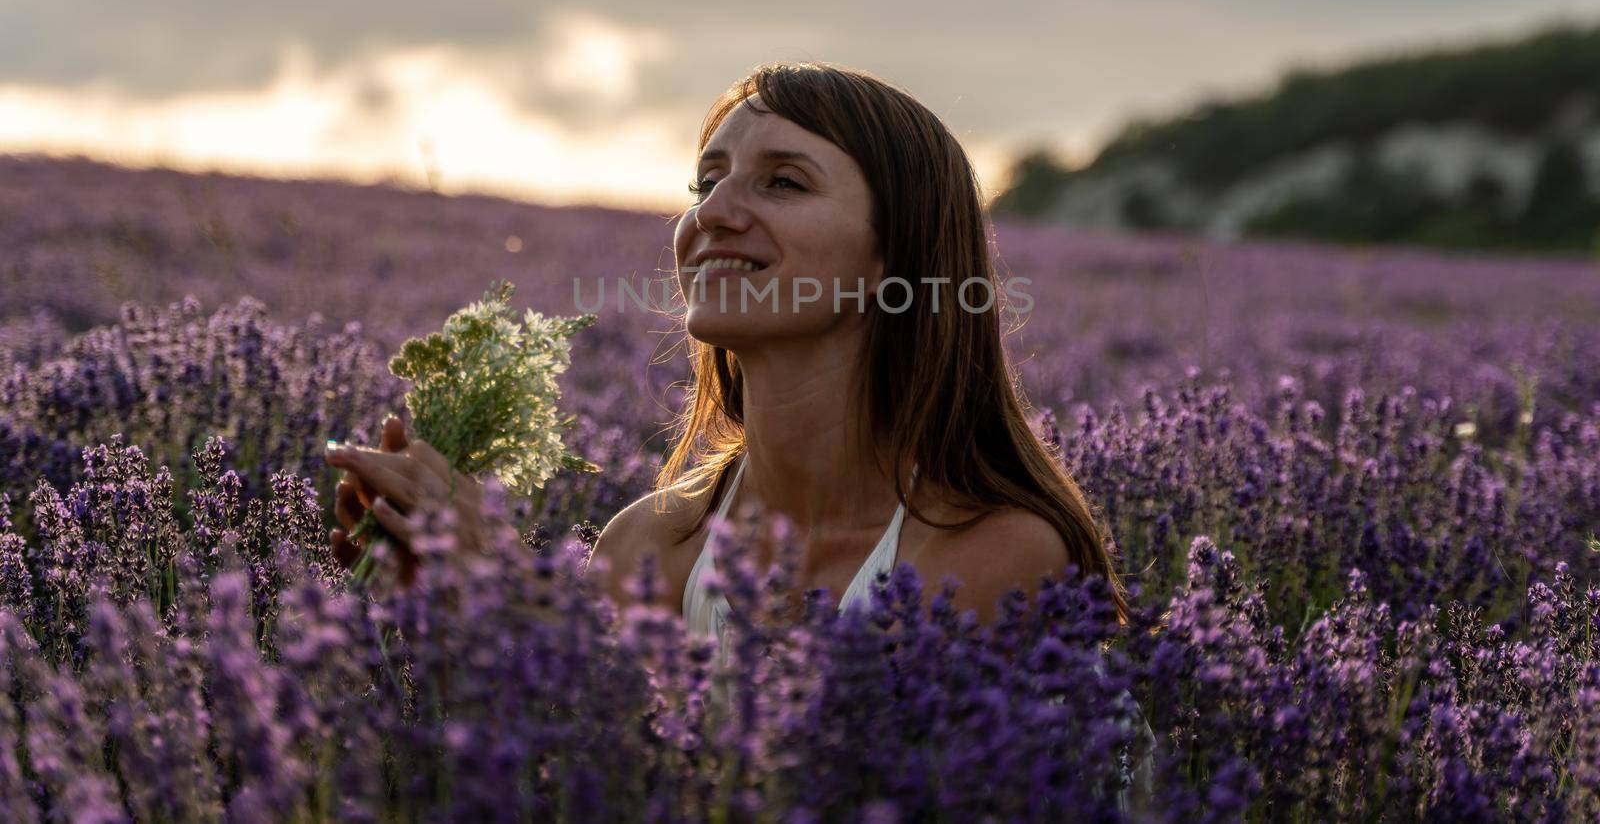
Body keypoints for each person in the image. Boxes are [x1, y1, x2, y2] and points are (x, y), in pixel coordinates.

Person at [325, 61, 1154, 809]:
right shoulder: (654, 541)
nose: (712, 215)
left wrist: (528, 608)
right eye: (704, 181)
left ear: (891, 261)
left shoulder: (994, 551)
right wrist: (450, 622)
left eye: (783, 182)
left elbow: (809, 783)